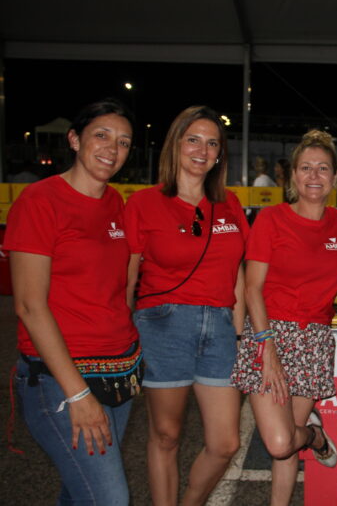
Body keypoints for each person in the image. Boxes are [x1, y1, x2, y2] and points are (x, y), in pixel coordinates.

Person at [8, 99, 138, 505]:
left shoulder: (117, 204)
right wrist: (77, 395)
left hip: (119, 373)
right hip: (61, 381)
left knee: (79, 490)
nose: (111, 149)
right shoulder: (39, 201)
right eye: (101, 135)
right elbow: (29, 306)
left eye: (123, 142)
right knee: (109, 499)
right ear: (74, 139)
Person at [231, 129, 337, 506]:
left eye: (322, 168)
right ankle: (315, 437)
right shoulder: (272, 220)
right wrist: (268, 351)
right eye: (305, 168)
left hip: (313, 340)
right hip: (268, 333)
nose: (314, 175)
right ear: (293, 175)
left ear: (335, 177)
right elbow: (252, 289)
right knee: (280, 443)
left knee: (285, 443)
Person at [125, 106, 249, 505]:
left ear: (219, 154)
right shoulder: (143, 204)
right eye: (193, 139)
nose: (203, 149)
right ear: (175, 145)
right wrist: (123, 333)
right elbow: (128, 278)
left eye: (212, 143)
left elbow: (239, 273)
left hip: (220, 326)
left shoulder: (229, 204)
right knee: (166, 435)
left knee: (226, 442)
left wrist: (242, 331)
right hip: (163, 324)